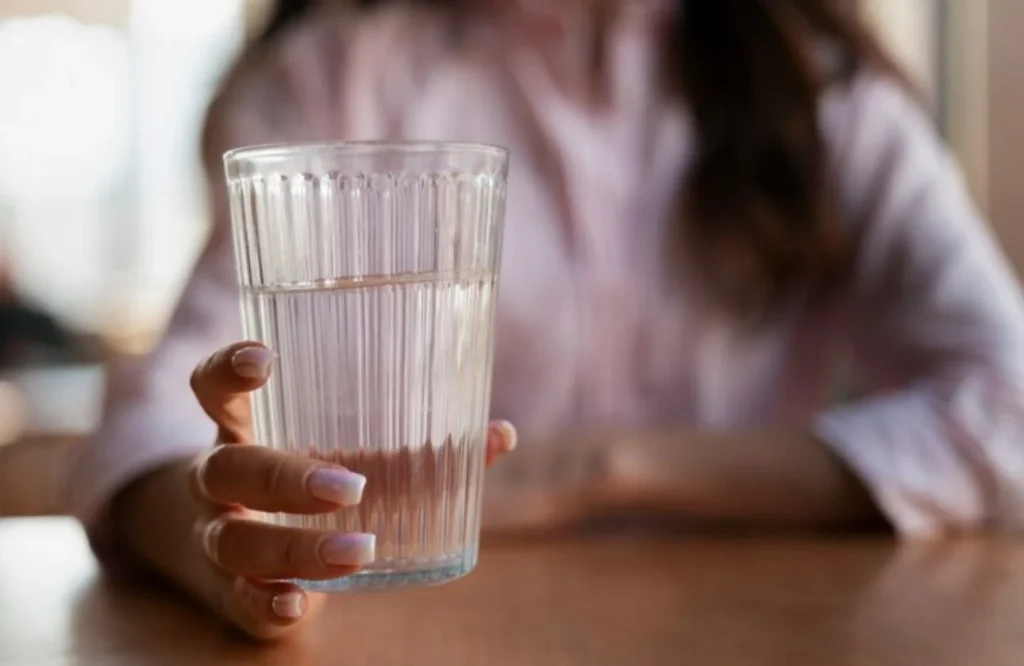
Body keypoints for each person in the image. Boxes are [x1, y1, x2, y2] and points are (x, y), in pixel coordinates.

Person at [68, 0, 1024, 641]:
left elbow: (1010, 403)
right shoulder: (342, 74)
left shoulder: (822, 91)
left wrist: (588, 473)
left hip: (769, 638)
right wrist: (218, 543)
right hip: (427, 639)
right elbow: (155, 427)